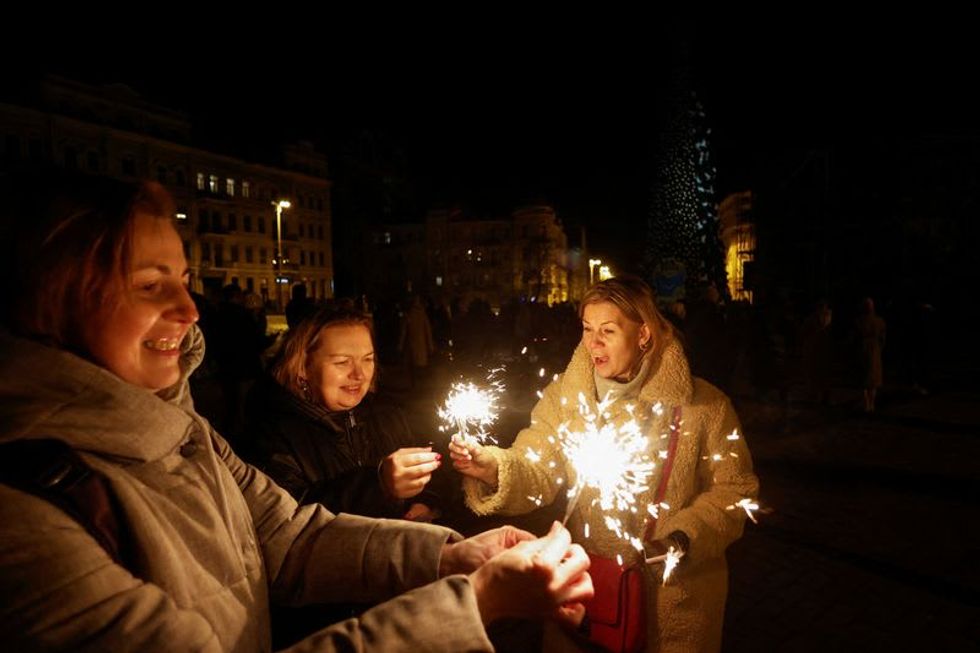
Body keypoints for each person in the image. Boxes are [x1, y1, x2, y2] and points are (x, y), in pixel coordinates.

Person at [0, 171, 593, 652]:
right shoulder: (25, 513)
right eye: (151, 285)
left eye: (184, 279)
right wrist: (476, 602)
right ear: (59, 296)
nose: (190, 308)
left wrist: (450, 555)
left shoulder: (183, 427)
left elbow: (286, 535)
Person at [451, 275, 759, 653]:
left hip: (673, 605)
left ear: (643, 334)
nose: (593, 342)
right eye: (586, 328)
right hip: (590, 593)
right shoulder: (567, 397)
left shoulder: (704, 407)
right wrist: (494, 468)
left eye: (608, 330)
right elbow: (538, 468)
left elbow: (735, 492)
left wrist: (682, 538)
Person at [244, 304, 447, 522]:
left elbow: (434, 481)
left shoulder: (386, 414)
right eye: (342, 362)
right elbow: (284, 518)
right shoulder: (272, 433)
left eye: (368, 359)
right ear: (303, 367)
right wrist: (378, 486)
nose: (359, 374)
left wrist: (426, 500)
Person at [855, 296, 886, 413]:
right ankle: (870, 404)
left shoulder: (858, 321)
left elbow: (855, 339)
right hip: (874, 351)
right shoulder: (880, 321)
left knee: (865, 379)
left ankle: (867, 404)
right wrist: (879, 348)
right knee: (872, 380)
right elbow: (883, 339)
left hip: (863, 351)